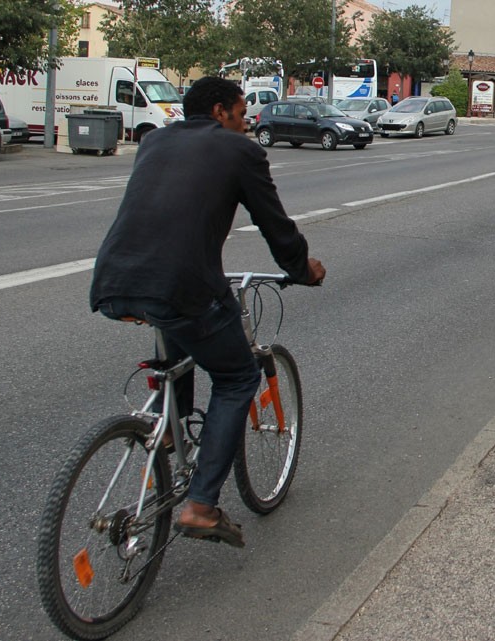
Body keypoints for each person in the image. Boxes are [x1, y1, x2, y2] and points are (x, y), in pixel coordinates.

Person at [90, 76, 326, 546]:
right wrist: (301, 268)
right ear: (220, 111)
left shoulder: (154, 142)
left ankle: (169, 433)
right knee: (237, 376)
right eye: (241, 114)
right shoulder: (240, 152)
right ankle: (200, 506)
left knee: (179, 335)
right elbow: (274, 225)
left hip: (115, 282)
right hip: (181, 285)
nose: (246, 124)